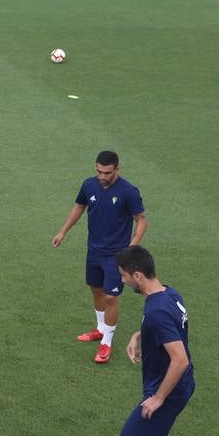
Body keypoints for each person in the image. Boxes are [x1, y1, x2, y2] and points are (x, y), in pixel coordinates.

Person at [88, 246, 195, 436]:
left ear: (137, 275)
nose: (122, 282)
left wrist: (158, 398)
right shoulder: (169, 295)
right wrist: (140, 334)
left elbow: (180, 359)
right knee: (159, 433)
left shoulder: (157, 310)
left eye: (123, 277)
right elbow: (165, 326)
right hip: (181, 386)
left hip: (168, 390)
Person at [51, 150, 147, 363]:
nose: (102, 176)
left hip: (116, 255)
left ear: (117, 169)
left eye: (107, 172)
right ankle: (100, 328)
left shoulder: (128, 191)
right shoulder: (89, 185)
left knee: (111, 296)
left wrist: (131, 247)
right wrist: (63, 231)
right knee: (96, 289)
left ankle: (107, 342)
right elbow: (79, 207)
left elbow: (141, 220)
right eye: (99, 172)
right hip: (94, 250)